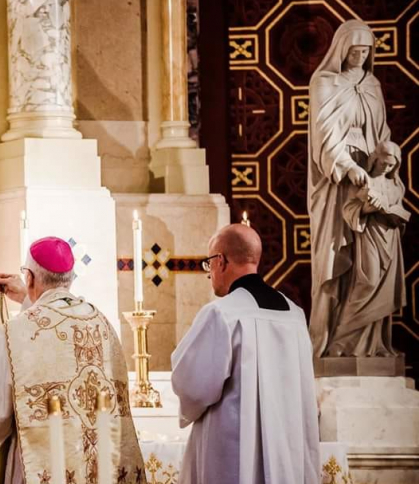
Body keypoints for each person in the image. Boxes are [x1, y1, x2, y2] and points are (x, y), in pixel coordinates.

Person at [0, 237, 146, 484]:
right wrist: (28, 298)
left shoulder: (17, 332)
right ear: (69, 278)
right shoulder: (102, 323)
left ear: (30, 278)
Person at [171, 224, 320, 484]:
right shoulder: (294, 314)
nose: (210, 274)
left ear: (220, 261)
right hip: (287, 450)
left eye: (209, 264)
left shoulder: (222, 313)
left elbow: (192, 386)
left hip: (233, 453)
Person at [308, 20, 392, 356]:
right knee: (333, 259)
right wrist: (349, 167)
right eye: (354, 50)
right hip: (336, 184)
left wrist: (386, 170)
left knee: (371, 263)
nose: (359, 56)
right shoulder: (324, 82)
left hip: (370, 182)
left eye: (365, 51)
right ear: (341, 49)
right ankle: (329, 341)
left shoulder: (372, 84)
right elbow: (324, 135)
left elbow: (382, 132)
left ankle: (365, 343)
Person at [334, 141, 409, 356]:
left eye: (390, 166)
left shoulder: (396, 186)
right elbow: (349, 210)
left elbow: (400, 212)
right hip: (369, 236)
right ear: (375, 160)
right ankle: (342, 340)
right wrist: (367, 207)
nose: (386, 168)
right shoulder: (362, 181)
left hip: (390, 239)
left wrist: (394, 213)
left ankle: (378, 345)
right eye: (383, 164)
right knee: (368, 282)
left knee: (385, 290)